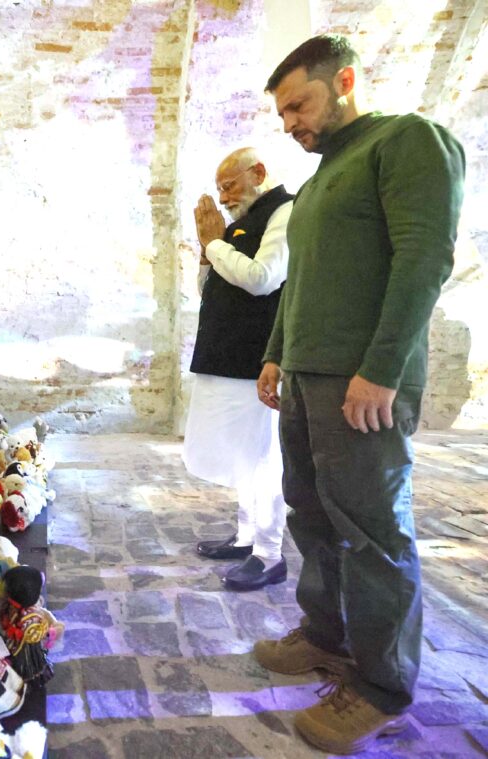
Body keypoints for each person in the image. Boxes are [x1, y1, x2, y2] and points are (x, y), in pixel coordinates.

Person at [253, 35, 464, 754]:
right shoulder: (318, 182)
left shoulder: (408, 142)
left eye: (299, 105)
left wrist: (381, 368)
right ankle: (326, 636)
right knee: (311, 512)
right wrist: (277, 352)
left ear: (343, 80)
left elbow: (425, 258)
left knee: (373, 529)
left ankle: (381, 684)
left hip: (364, 383)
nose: (291, 124)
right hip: (309, 379)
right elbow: (301, 279)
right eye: (283, 114)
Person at [183, 148, 293, 591]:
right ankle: (248, 534)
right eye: (220, 187)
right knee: (243, 455)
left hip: (259, 358)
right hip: (228, 355)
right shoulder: (236, 224)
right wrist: (208, 253)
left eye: (229, 185)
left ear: (259, 173)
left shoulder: (283, 213)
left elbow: (263, 277)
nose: (224, 197)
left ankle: (269, 555)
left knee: (264, 456)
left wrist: (214, 243)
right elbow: (210, 290)